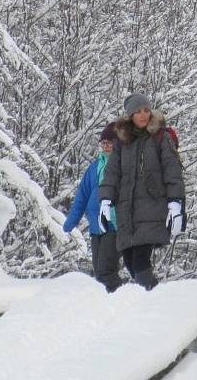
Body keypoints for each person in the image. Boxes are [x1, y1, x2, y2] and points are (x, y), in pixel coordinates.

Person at [99, 93, 185, 290]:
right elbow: (112, 173)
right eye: (137, 111)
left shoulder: (160, 138)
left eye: (146, 110)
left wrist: (175, 203)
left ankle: (155, 304)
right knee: (130, 264)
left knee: (140, 262)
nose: (143, 115)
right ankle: (155, 298)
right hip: (127, 212)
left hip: (152, 209)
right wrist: (105, 200)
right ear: (130, 115)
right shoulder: (122, 142)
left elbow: (172, 171)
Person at [62, 122, 122, 292]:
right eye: (103, 143)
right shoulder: (95, 167)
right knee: (99, 272)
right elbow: (82, 196)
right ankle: (108, 305)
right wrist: (72, 221)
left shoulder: (122, 166)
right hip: (96, 228)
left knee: (106, 270)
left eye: (110, 143)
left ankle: (126, 297)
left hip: (114, 226)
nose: (106, 146)